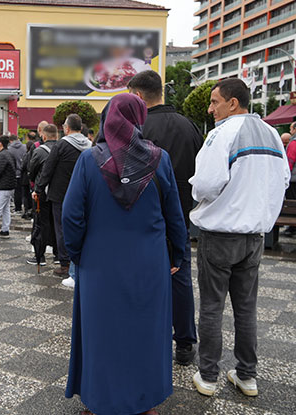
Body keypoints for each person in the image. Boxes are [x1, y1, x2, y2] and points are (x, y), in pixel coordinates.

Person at [63, 93, 187, 415]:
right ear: (139, 119)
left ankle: (97, 399)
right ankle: (144, 402)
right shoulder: (160, 159)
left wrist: (79, 255)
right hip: (149, 263)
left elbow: (71, 216)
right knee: (145, 333)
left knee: (101, 333)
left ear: (108, 118)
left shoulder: (90, 161)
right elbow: (175, 214)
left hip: (99, 264)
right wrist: (177, 257)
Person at [189, 78, 290, 398]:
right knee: (246, 309)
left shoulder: (222, 133)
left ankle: (208, 376)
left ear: (233, 103)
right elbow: (283, 179)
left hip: (220, 234)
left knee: (211, 307)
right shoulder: (273, 133)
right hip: (255, 236)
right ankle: (247, 376)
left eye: (214, 101)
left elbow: (204, 183)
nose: (210, 108)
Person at [128, 69, 203, 366]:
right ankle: (185, 342)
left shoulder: (137, 128)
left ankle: (144, 338)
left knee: (139, 279)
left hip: (141, 217)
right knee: (180, 278)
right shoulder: (190, 126)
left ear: (136, 95)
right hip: (181, 215)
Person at [34, 114, 92, 276]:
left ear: (66, 128)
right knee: (83, 226)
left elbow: (48, 169)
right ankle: (81, 260)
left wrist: (38, 189)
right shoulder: (90, 145)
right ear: (80, 128)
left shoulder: (62, 145)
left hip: (61, 193)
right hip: (84, 193)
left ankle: (65, 263)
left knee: (62, 228)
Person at [28, 123, 60, 266]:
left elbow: (31, 170)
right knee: (57, 223)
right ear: (57, 135)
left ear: (44, 136)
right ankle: (58, 255)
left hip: (41, 192)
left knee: (41, 223)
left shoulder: (39, 151)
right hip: (59, 192)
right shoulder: (63, 149)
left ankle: (39, 256)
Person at [8, 135, 27, 213]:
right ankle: (25, 207)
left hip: (14, 172)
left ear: (11, 141)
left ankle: (17, 208)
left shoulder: (10, 149)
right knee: (24, 191)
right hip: (24, 172)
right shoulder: (24, 147)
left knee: (16, 192)